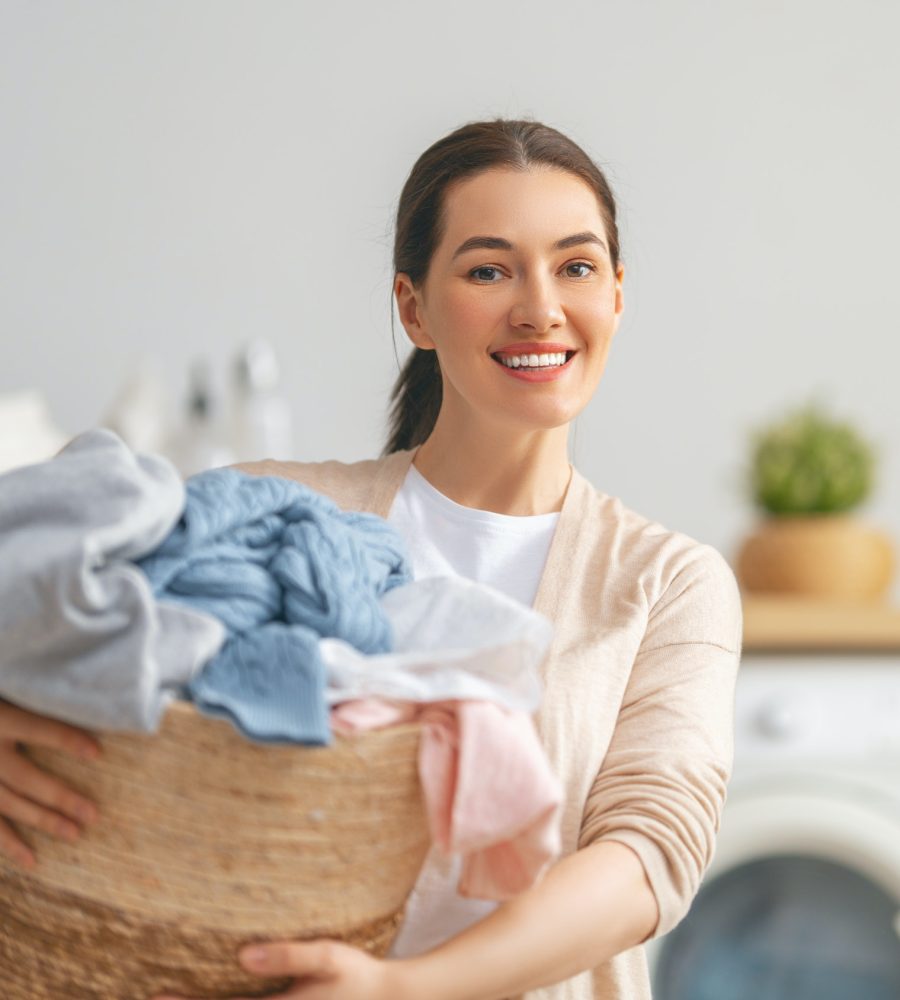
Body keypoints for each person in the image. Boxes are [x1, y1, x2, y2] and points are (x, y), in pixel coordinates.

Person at [0, 119, 742, 1000]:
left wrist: (405, 989)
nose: (540, 307)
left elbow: (651, 854)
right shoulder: (269, 510)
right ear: (413, 308)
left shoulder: (667, 584)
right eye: (489, 270)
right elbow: (73, 618)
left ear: (617, 295)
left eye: (576, 267)